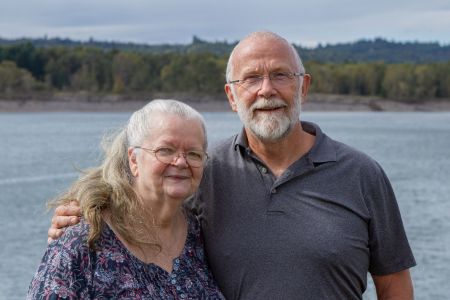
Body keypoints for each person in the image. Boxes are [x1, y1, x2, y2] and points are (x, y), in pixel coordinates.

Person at [48, 31, 416, 299]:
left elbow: (394, 284)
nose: (266, 90)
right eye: (251, 78)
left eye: (281, 75)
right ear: (231, 96)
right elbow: (143, 198)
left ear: (303, 87)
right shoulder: (202, 170)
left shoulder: (362, 175)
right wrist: (82, 213)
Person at [28, 99, 225, 299]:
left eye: (193, 154)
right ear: (134, 160)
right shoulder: (83, 243)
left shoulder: (200, 234)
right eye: (165, 150)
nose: (181, 162)